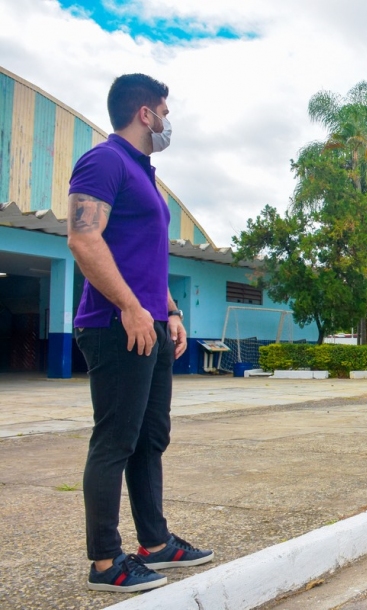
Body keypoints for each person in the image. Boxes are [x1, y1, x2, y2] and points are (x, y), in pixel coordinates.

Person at [68, 73, 213, 593]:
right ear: (145, 114)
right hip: (115, 325)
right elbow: (84, 239)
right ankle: (106, 563)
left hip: (149, 323)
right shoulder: (104, 160)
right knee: (116, 441)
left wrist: (170, 310)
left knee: (151, 438)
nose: (169, 120)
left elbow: (145, 257)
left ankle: (155, 544)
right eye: (165, 111)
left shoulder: (143, 174)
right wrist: (130, 307)